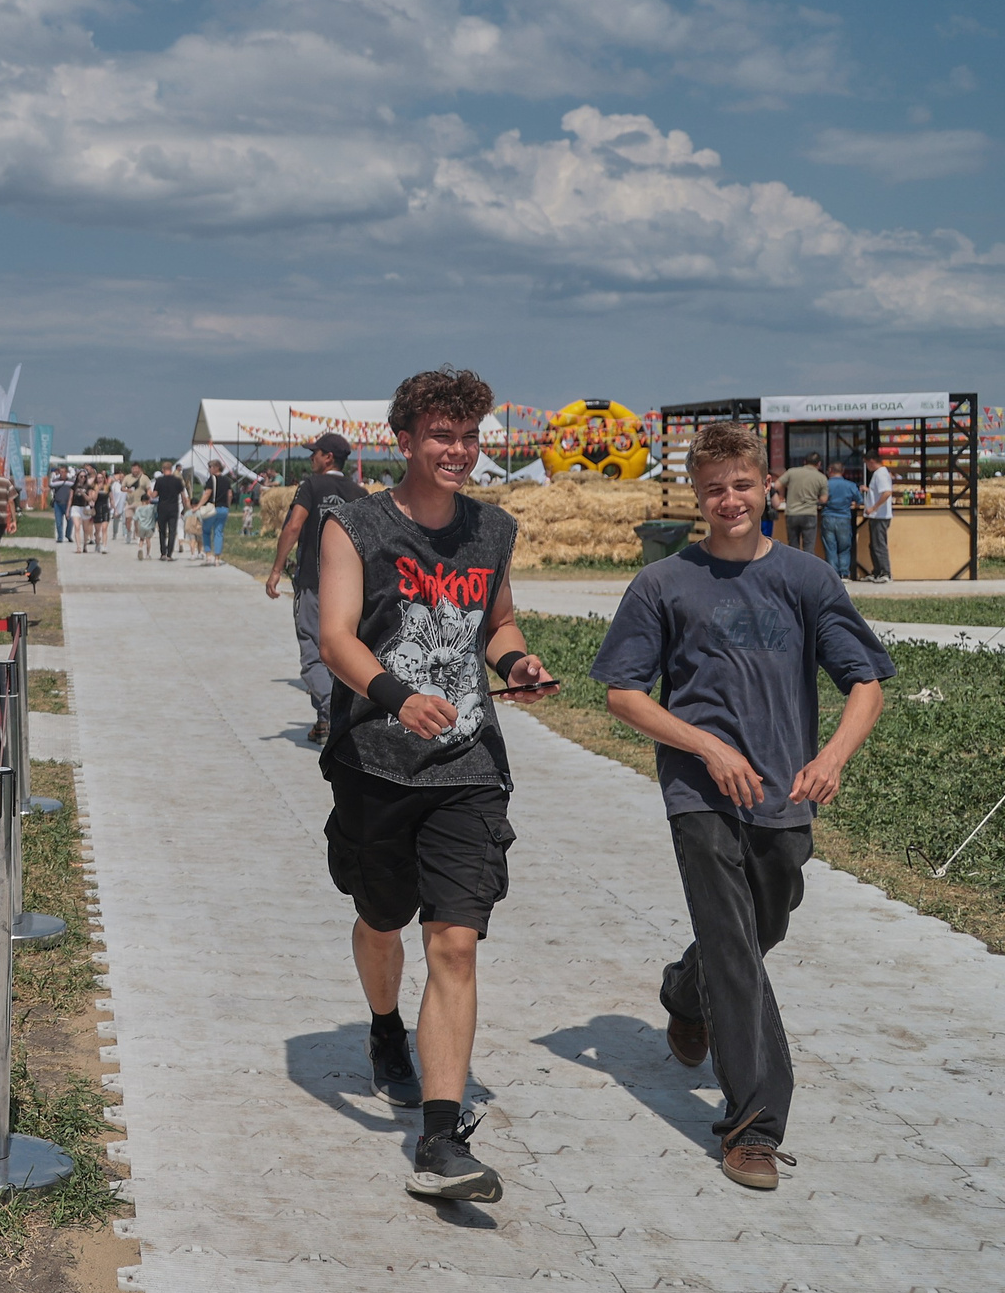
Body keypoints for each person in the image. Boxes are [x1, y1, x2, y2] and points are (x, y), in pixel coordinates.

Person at [591, 421, 889, 1192]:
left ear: (768, 487)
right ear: (698, 495)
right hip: (699, 793)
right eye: (714, 487)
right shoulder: (663, 584)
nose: (729, 499)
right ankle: (754, 1124)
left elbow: (866, 684)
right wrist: (705, 747)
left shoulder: (807, 579)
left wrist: (831, 757)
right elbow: (624, 694)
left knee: (764, 924)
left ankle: (687, 991)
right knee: (733, 939)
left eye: (742, 484)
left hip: (784, 795)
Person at [315, 367, 555, 1203]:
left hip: (468, 763)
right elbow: (336, 635)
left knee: (453, 941)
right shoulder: (359, 523)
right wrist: (395, 696)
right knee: (383, 917)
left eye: (469, 436)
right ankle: (386, 1027)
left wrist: (517, 660)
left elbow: (495, 623)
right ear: (405, 439)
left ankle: (442, 1139)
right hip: (376, 759)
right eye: (442, 436)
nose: (459, 451)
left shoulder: (493, 531)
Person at [264, 433, 367, 746]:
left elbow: (294, 526)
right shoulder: (359, 492)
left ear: (329, 458)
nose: (311, 458)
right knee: (345, 650)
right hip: (352, 586)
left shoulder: (311, 486)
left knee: (313, 650)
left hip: (314, 580)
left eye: (315, 453)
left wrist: (276, 569)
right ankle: (333, 720)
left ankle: (333, 717)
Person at [779, 453, 826, 557]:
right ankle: (807, 572)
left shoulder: (792, 472)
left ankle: (793, 571)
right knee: (808, 547)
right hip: (809, 513)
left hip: (792, 513)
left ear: (804, 462)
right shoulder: (821, 477)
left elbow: (777, 484)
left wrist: (782, 495)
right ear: (819, 464)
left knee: (792, 546)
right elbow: (824, 499)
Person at [822, 462, 862, 580]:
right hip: (844, 517)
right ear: (842, 471)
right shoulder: (850, 485)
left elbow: (820, 499)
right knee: (844, 547)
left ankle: (833, 574)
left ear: (830, 470)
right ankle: (844, 573)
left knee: (830, 547)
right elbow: (860, 500)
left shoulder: (826, 484)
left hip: (828, 516)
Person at [859, 455, 894, 581]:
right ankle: (877, 572)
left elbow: (886, 492)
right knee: (874, 544)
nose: (867, 467)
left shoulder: (880, 474)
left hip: (880, 516)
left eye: (867, 463)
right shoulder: (879, 474)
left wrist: (873, 508)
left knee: (879, 544)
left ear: (872, 461)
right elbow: (879, 491)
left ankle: (885, 573)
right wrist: (868, 490)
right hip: (876, 516)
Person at [201, 460, 234, 562]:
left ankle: (208, 554)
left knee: (206, 531)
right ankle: (217, 557)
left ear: (216, 467)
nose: (209, 469)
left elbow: (207, 494)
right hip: (223, 508)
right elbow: (230, 494)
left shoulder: (212, 480)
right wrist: (227, 505)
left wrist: (198, 505)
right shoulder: (227, 480)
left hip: (212, 508)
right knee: (218, 532)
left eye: (210, 467)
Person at [152, 462, 184, 560]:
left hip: (162, 507)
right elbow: (183, 495)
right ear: (171, 469)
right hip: (174, 508)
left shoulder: (159, 481)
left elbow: (154, 495)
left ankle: (163, 553)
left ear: (163, 469)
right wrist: (185, 508)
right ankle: (170, 554)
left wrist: (149, 492)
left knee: (162, 531)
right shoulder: (178, 480)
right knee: (172, 531)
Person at [50, 467, 74, 543]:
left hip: (68, 504)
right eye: (60, 472)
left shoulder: (71, 482)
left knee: (70, 521)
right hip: (58, 503)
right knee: (58, 521)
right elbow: (50, 486)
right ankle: (60, 537)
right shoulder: (55, 481)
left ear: (67, 472)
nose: (62, 473)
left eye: (63, 472)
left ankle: (68, 535)